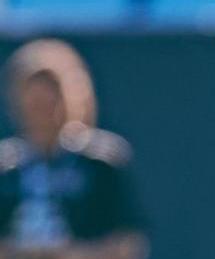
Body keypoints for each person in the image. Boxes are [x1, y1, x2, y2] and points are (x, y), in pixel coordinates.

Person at [0, 40, 147, 259]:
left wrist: (74, 253)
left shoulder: (100, 161)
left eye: (50, 101)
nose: (42, 113)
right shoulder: (6, 166)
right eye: (35, 104)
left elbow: (128, 242)